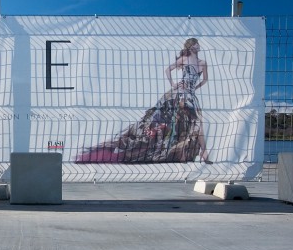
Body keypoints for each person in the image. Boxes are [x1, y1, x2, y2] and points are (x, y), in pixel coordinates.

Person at [76, 38, 212, 164]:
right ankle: (159, 149)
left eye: (197, 43)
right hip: (178, 95)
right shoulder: (184, 59)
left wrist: (195, 88)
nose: (198, 45)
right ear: (190, 46)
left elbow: (205, 79)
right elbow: (168, 70)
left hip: (190, 96)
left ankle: (202, 153)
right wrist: (174, 84)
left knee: (196, 123)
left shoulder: (203, 63)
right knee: (162, 122)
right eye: (195, 43)